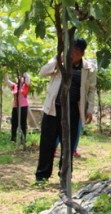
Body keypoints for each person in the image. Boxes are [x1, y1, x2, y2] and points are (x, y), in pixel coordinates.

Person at [34, 38, 96, 183]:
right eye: (70, 51)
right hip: (53, 108)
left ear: (82, 53)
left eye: (76, 52)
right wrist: (58, 60)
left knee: (68, 144)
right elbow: (43, 72)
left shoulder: (89, 68)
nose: (72, 55)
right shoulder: (60, 62)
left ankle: (65, 175)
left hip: (73, 110)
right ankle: (42, 176)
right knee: (47, 142)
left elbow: (91, 90)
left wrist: (89, 109)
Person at [5, 72, 30, 143]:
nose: (19, 78)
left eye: (21, 77)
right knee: (14, 123)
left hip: (23, 107)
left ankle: (23, 139)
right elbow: (7, 80)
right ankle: (13, 139)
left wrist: (25, 74)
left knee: (23, 123)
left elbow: (28, 79)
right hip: (15, 106)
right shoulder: (15, 86)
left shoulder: (25, 85)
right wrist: (5, 71)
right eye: (18, 77)